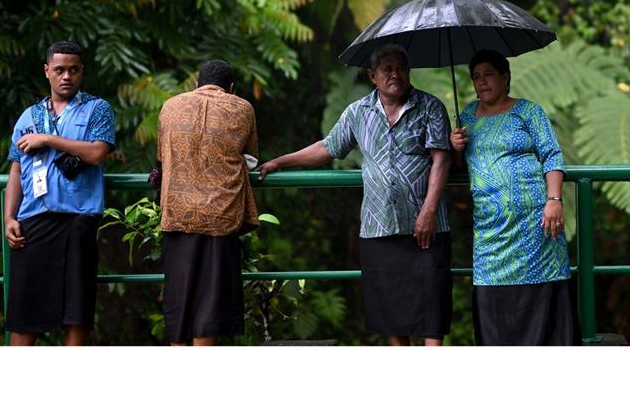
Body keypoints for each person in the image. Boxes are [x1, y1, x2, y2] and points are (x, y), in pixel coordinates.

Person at [257, 44, 452, 346]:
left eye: (401, 67)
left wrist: (428, 211)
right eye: (388, 69)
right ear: (373, 76)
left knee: (432, 313)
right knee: (392, 314)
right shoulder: (357, 112)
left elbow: (442, 159)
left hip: (425, 226)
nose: (396, 74)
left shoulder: (430, 107)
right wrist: (280, 161)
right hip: (379, 227)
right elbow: (326, 148)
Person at [449, 49, 580, 345]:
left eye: (488, 75)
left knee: (542, 294)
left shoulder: (528, 112)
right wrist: (454, 147)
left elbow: (552, 155)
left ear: (505, 78)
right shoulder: (467, 116)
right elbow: (457, 169)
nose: (481, 83)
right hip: (491, 231)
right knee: (491, 295)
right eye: (476, 77)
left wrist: (554, 200)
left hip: (536, 226)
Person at [4, 40, 115, 345]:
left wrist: (49, 140)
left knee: (76, 313)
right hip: (35, 221)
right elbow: (16, 169)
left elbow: (97, 153)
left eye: (73, 70)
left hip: (79, 220)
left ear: (82, 72)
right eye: (60, 70)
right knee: (24, 314)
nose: (67, 76)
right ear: (47, 71)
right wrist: (9, 216)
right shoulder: (28, 117)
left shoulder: (97, 109)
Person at [156, 60, 259, 346]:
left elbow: (163, 156)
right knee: (210, 301)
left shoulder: (170, 106)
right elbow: (250, 158)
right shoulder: (243, 107)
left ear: (195, 85)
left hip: (177, 213)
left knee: (180, 295)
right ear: (232, 88)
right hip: (222, 216)